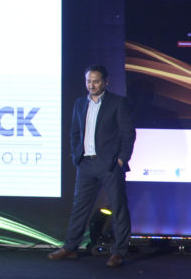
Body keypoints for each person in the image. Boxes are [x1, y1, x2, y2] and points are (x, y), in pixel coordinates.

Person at [48, 65, 136, 268]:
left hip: (110, 164)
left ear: (106, 82)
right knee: (79, 207)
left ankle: (119, 252)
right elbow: (75, 132)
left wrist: (121, 159)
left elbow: (128, 133)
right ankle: (70, 247)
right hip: (86, 164)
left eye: (96, 81)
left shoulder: (117, 102)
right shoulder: (80, 103)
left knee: (118, 208)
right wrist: (76, 156)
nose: (92, 85)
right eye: (88, 81)